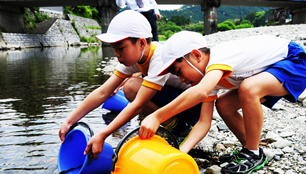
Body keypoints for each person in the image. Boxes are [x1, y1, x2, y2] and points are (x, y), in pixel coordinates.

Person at [139, 31, 306, 174]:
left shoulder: (217, 58)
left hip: (296, 62)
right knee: (224, 105)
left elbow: (200, 92)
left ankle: (251, 153)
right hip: (270, 70)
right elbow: (203, 123)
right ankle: (252, 151)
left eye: (180, 72)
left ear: (196, 55)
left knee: (248, 88)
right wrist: (180, 153)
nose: (182, 79)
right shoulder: (211, 78)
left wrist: (157, 116)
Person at [59, 12, 201, 159]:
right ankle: (175, 125)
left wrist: (103, 134)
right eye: (114, 48)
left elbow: (138, 105)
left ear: (141, 43)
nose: (116, 54)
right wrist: (69, 120)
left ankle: (180, 129)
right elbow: (103, 92)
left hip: (195, 108)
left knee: (131, 87)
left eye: (121, 48)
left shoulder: (159, 56)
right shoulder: (136, 59)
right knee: (132, 86)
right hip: (178, 103)